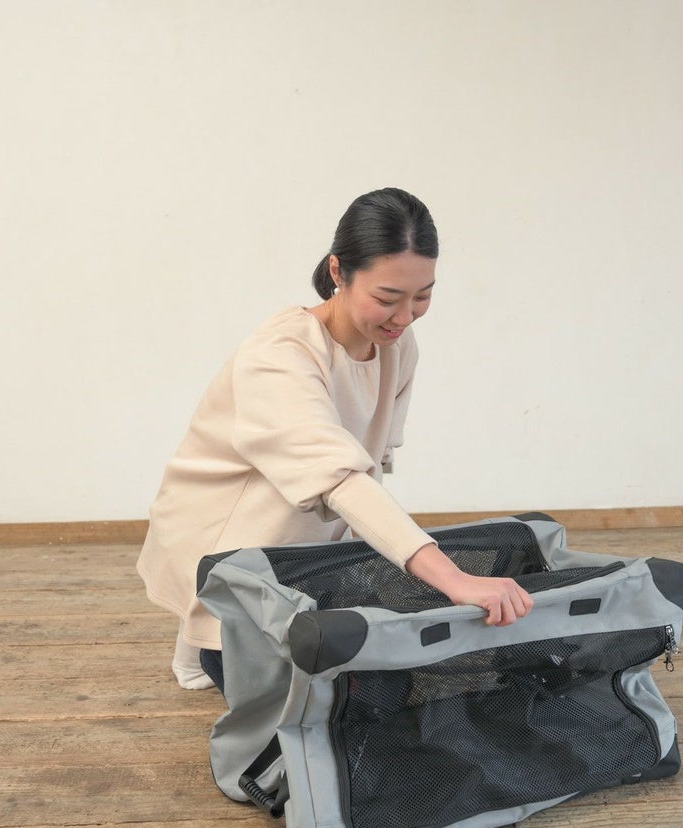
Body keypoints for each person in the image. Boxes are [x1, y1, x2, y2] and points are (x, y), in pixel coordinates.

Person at [137, 187, 533, 690]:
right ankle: (202, 637)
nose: (405, 316)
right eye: (387, 298)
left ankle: (208, 640)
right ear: (338, 272)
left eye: (422, 296)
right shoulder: (279, 354)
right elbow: (340, 479)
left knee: (390, 673)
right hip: (228, 548)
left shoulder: (397, 345)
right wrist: (454, 578)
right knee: (341, 694)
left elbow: (371, 462)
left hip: (304, 543)